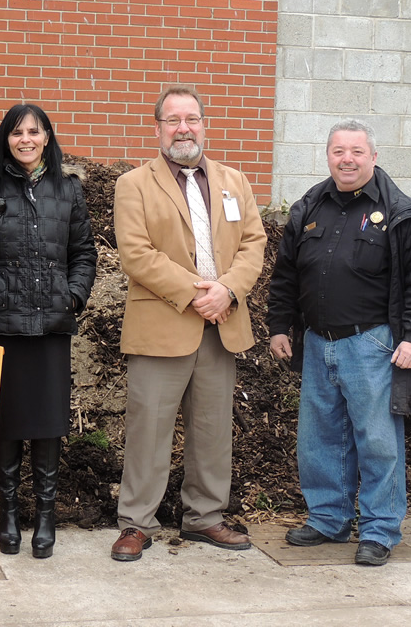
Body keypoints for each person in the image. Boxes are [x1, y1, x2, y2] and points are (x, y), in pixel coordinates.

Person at [266, 119, 411, 567]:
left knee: (377, 441)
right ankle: (329, 518)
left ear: (373, 156)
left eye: (356, 151)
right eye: (337, 151)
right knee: (319, 438)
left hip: (373, 343)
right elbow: (286, 273)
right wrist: (278, 325)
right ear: (327, 155)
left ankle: (380, 529)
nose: (346, 159)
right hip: (316, 341)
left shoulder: (403, 211)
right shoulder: (309, 205)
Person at [110, 85, 267, 561]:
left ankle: (205, 517)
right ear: (157, 128)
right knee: (149, 431)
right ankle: (136, 522)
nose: (184, 128)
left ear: (205, 125)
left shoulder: (234, 181)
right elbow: (136, 254)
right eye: (173, 120)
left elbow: (253, 244)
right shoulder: (134, 184)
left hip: (222, 323)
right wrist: (200, 292)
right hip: (163, 324)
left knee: (213, 429)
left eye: (192, 119)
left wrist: (229, 290)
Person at [0, 103, 97, 559]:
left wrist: (73, 296)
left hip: (52, 327)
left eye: (34, 132)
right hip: (3, 326)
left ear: (47, 137)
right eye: (17, 132)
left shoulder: (67, 189)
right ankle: (9, 514)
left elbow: (84, 253)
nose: (26, 139)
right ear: (6, 138)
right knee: (8, 423)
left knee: (48, 424)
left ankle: (45, 515)